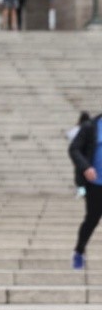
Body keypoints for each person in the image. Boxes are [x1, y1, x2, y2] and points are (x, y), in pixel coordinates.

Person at [69, 111, 102, 269]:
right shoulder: (91, 126)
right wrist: (86, 167)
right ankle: (79, 251)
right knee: (92, 219)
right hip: (96, 184)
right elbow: (74, 149)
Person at [68, 112, 92, 198]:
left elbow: (69, 135)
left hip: (79, 155)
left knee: (79, 174)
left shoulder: (78, 128)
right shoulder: (90, 128)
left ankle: (81, 191)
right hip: (88, 155)